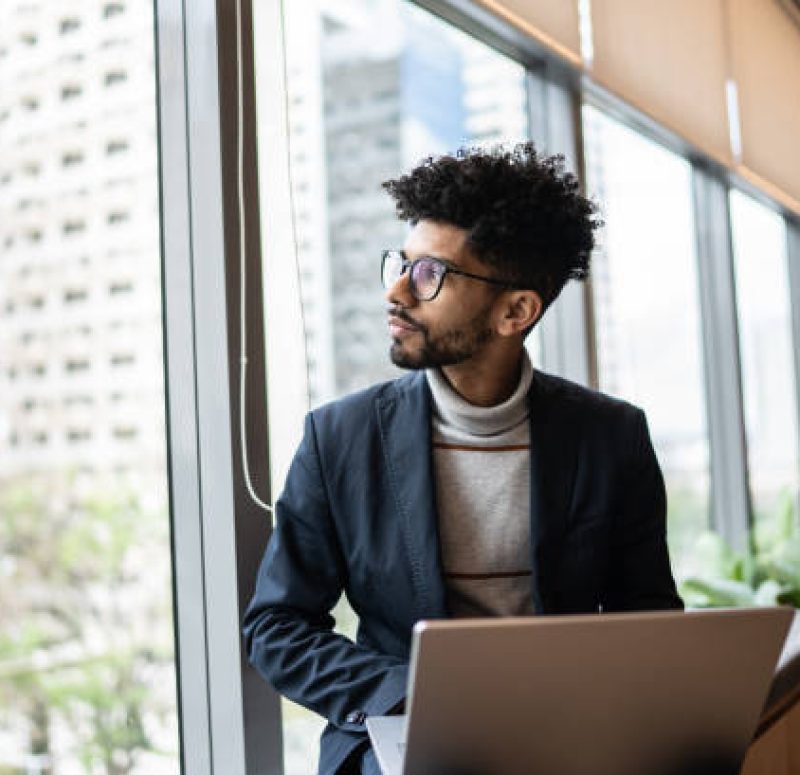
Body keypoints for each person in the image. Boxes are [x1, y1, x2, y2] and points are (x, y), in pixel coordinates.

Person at [243, 143, 683, 775]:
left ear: (516, 311)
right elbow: (277, 627)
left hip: (567, 735)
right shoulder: (338, 438)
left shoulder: (610, 437)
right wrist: (410, 695)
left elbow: (649, 622)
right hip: (405, 736)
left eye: (429, 275)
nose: (397, 291)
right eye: (401, 264)